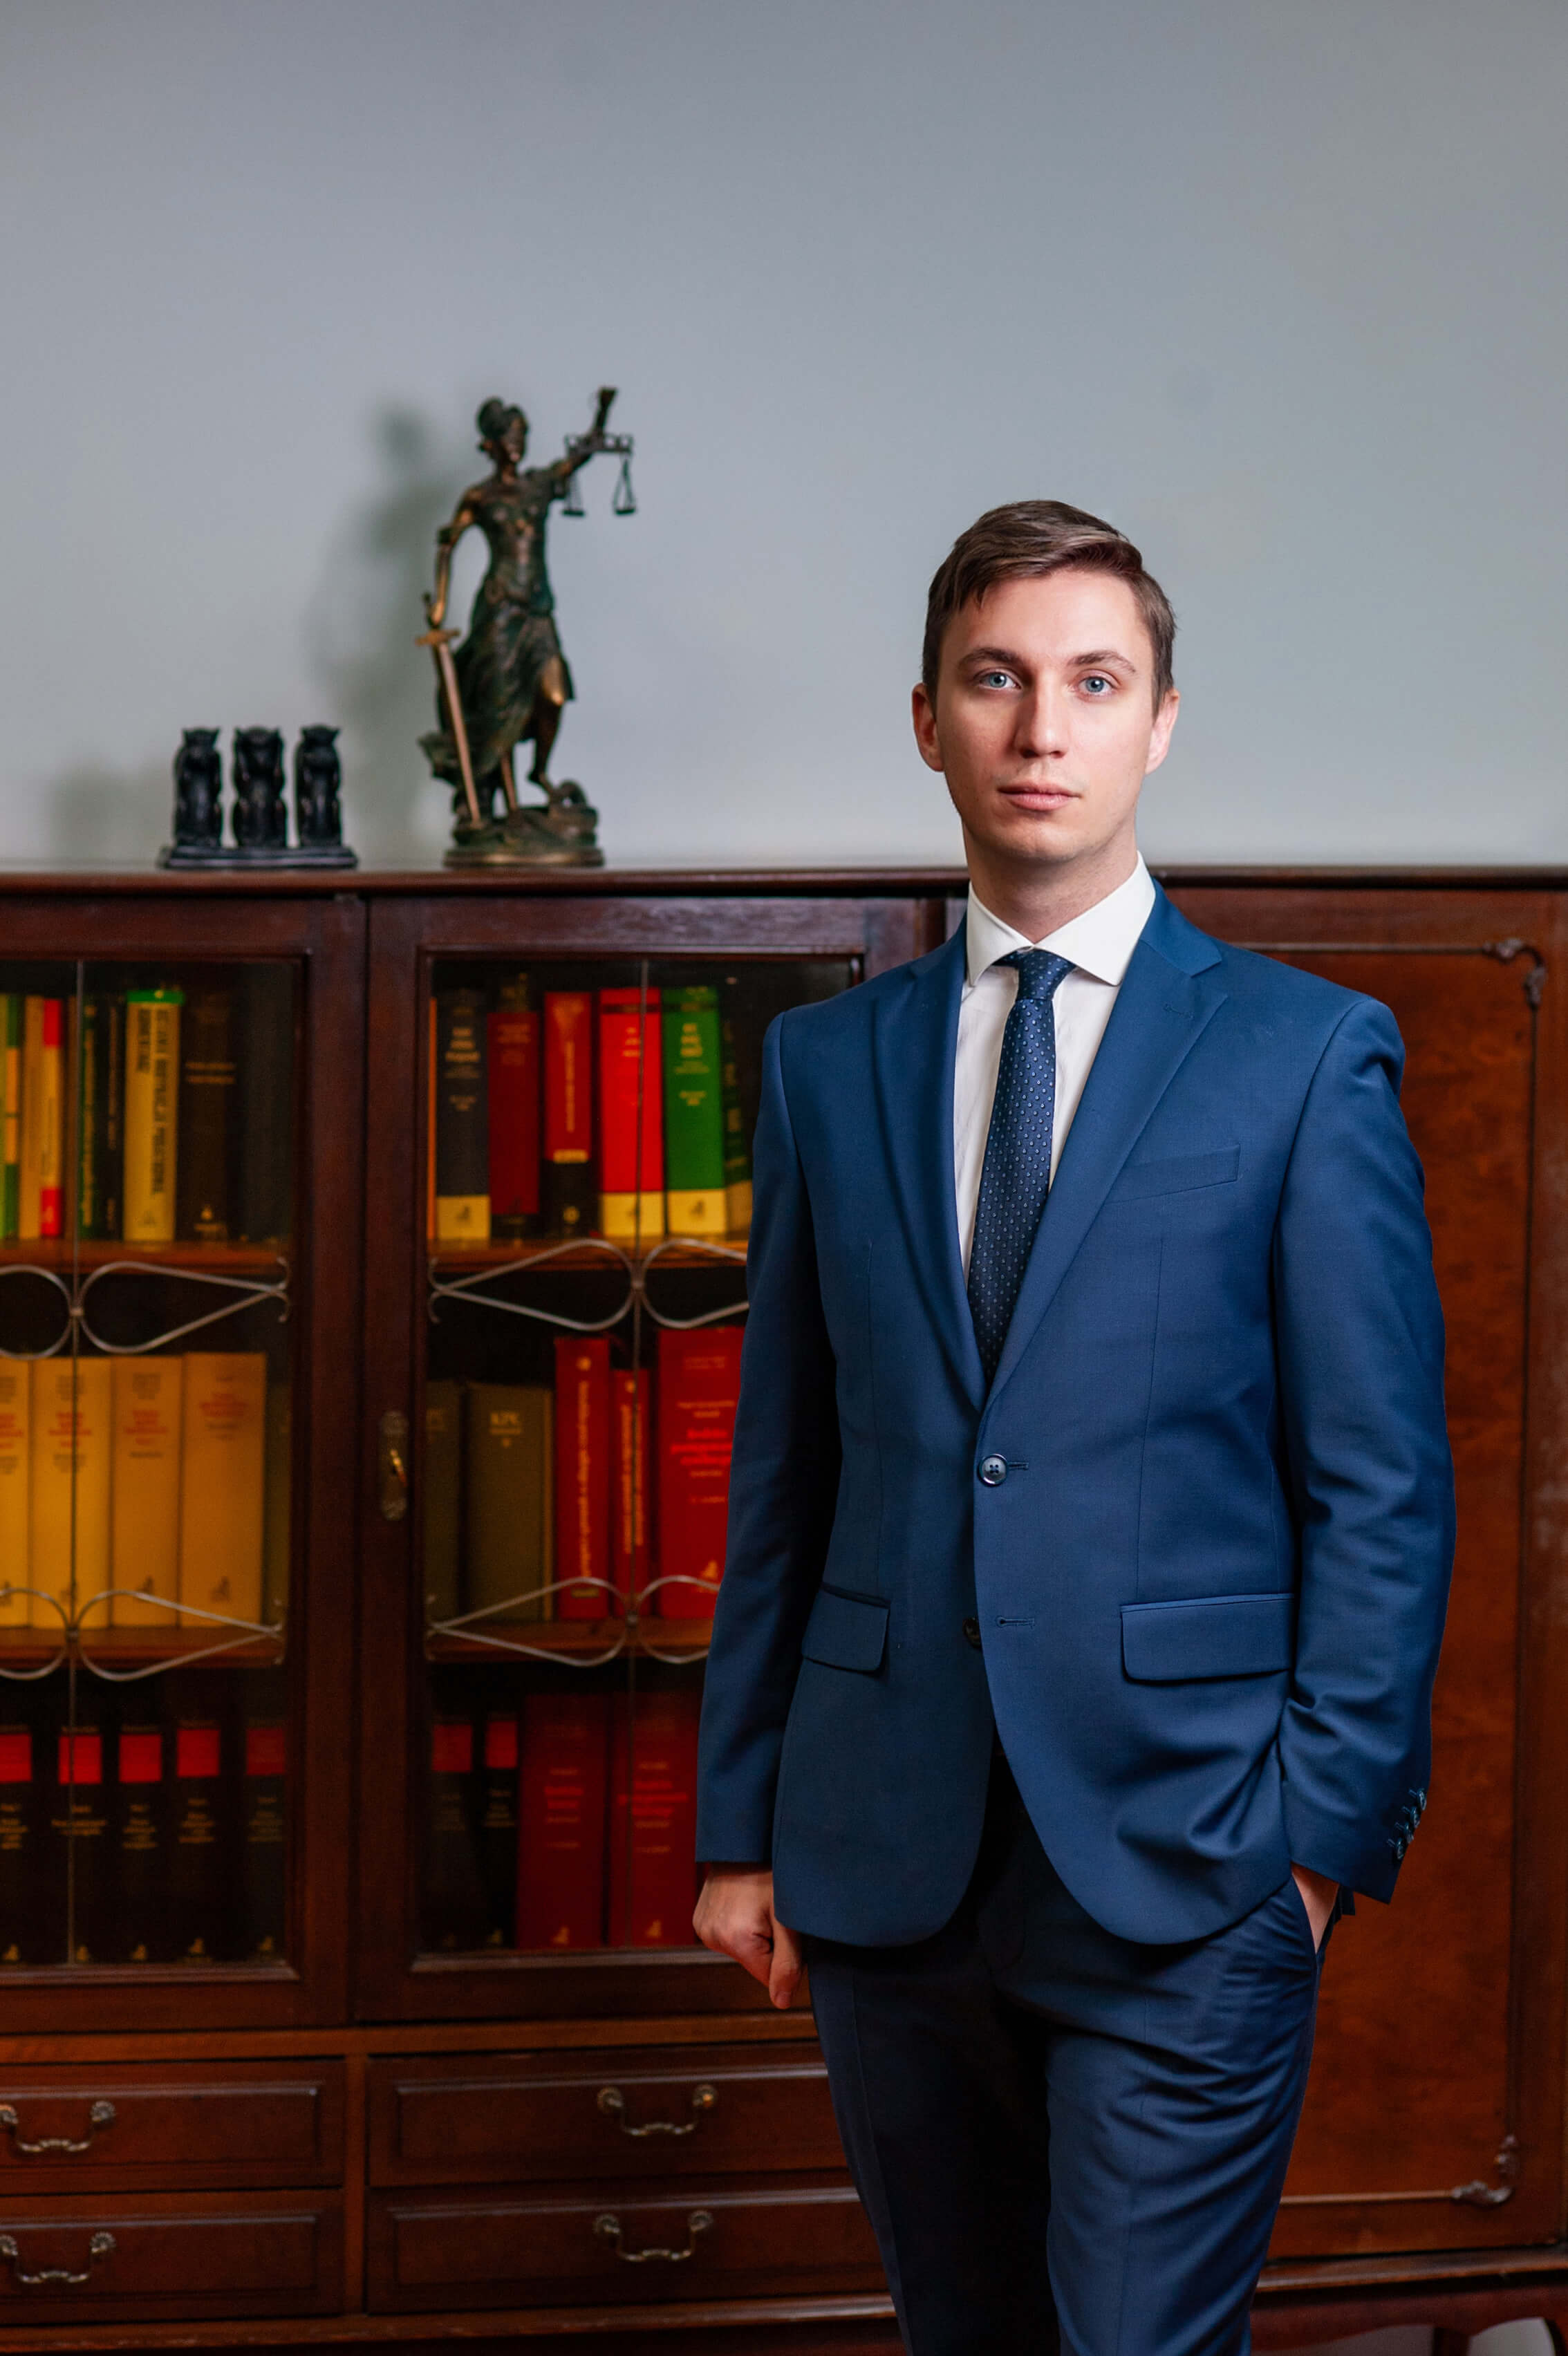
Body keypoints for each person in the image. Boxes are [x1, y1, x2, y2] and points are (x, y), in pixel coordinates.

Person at [692, 500, 1454, 2355]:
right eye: (996, 681)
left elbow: (1381, 1486)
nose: (1042, 730)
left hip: (1189, 1865)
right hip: (885, 1859)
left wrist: (1311, 1847)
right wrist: (742, 1824)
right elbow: (786, 1464)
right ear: (927, 719)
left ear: (1158, 723)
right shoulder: (826, 1067)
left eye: (1090, 683)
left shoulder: (1298, 1055)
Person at [422, 391, 617, 834]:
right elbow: (447, 545)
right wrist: (439, 602)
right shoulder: (480, 496)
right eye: (507, 436)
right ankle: (507, 805)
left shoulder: (539, 486)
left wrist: (601, 414)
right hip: (499, 611)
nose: (515, 443)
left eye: (520, 435)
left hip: (538, 610)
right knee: (499, 706)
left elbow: (581, 455)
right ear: (490, 444)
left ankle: (540, 773)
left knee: (553, 694)